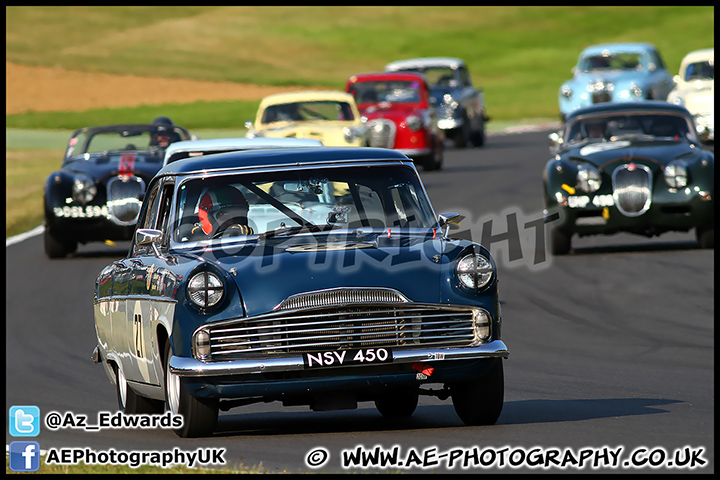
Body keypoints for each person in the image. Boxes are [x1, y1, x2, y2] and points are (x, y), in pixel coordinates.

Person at [188, 185, 254, 239]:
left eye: (239, 215)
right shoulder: (195, 249)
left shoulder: (255, 244)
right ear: (209, 218)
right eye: (224, 216)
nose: (233, 222)